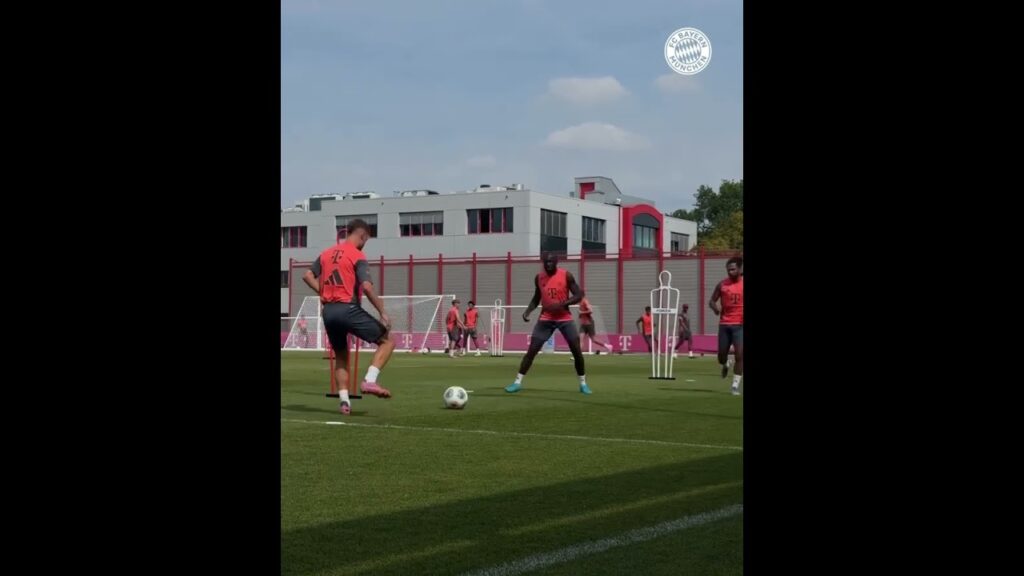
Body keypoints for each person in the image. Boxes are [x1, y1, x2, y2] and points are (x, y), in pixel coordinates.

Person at [302, 218, 395, 414]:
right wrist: (382, 312)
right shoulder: (357, 256)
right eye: (366, 239)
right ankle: (370, 381)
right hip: (347, 309)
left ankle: (344, 402)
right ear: (363, 235)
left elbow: (307, 275)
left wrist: (323, 292)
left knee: (341, 356)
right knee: (387, 342)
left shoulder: (326, 254)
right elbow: (367, 287)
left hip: (328, 311)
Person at [505, 252, 591, 394]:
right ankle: (517, 382)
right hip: (546, 318)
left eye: (551, 262)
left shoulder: (566, 275)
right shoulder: (539, 278)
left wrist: (565, 303)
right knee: (532, 350)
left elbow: (579, 294)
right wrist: (528, 311)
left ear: (556, 262)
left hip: (564, 318)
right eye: (546, 262)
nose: (548, 264)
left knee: (576, 350)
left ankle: (583, 384)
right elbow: (537, 297)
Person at [709, 256, 744, 395]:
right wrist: (715, 308)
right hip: (724, 324)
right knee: (721, 356)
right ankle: (725, 364)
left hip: (740, 325)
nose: (730, 272)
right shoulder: (722, 285)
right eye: (728, 270)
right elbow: (711, 301)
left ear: (740, 269)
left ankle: (735, 386)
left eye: (733, 269)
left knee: (740, 355)